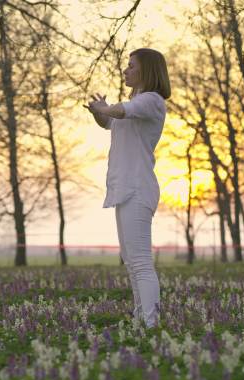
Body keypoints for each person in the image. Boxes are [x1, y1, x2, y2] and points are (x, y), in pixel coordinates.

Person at [83, 48, 171, 328]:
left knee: (142, 262)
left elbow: (119, 111)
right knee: (132, 262)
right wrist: (100, 112)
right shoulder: (135, 102)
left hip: (138, 189)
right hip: (125, 189)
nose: (126, 70)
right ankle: (140, 319)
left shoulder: (152, 101)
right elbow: (109, 121)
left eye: (131, 66)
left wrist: (107, 108)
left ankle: (151, 323)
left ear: (146, 70)